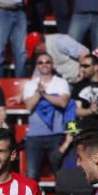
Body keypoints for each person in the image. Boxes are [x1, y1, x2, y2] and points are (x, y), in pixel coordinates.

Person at [22, 53, 71, 181]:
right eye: (40, 62)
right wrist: (39, 93)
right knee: (31, 175)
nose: (44, 64)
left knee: (61, 175)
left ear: (52, 64)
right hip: (34, 137)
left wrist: (44, 94)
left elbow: (63, 102)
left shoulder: (61, 82)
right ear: (36, 66)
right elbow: (29, 106)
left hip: (56, 135)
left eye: (47, 62)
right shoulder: (30, 84)